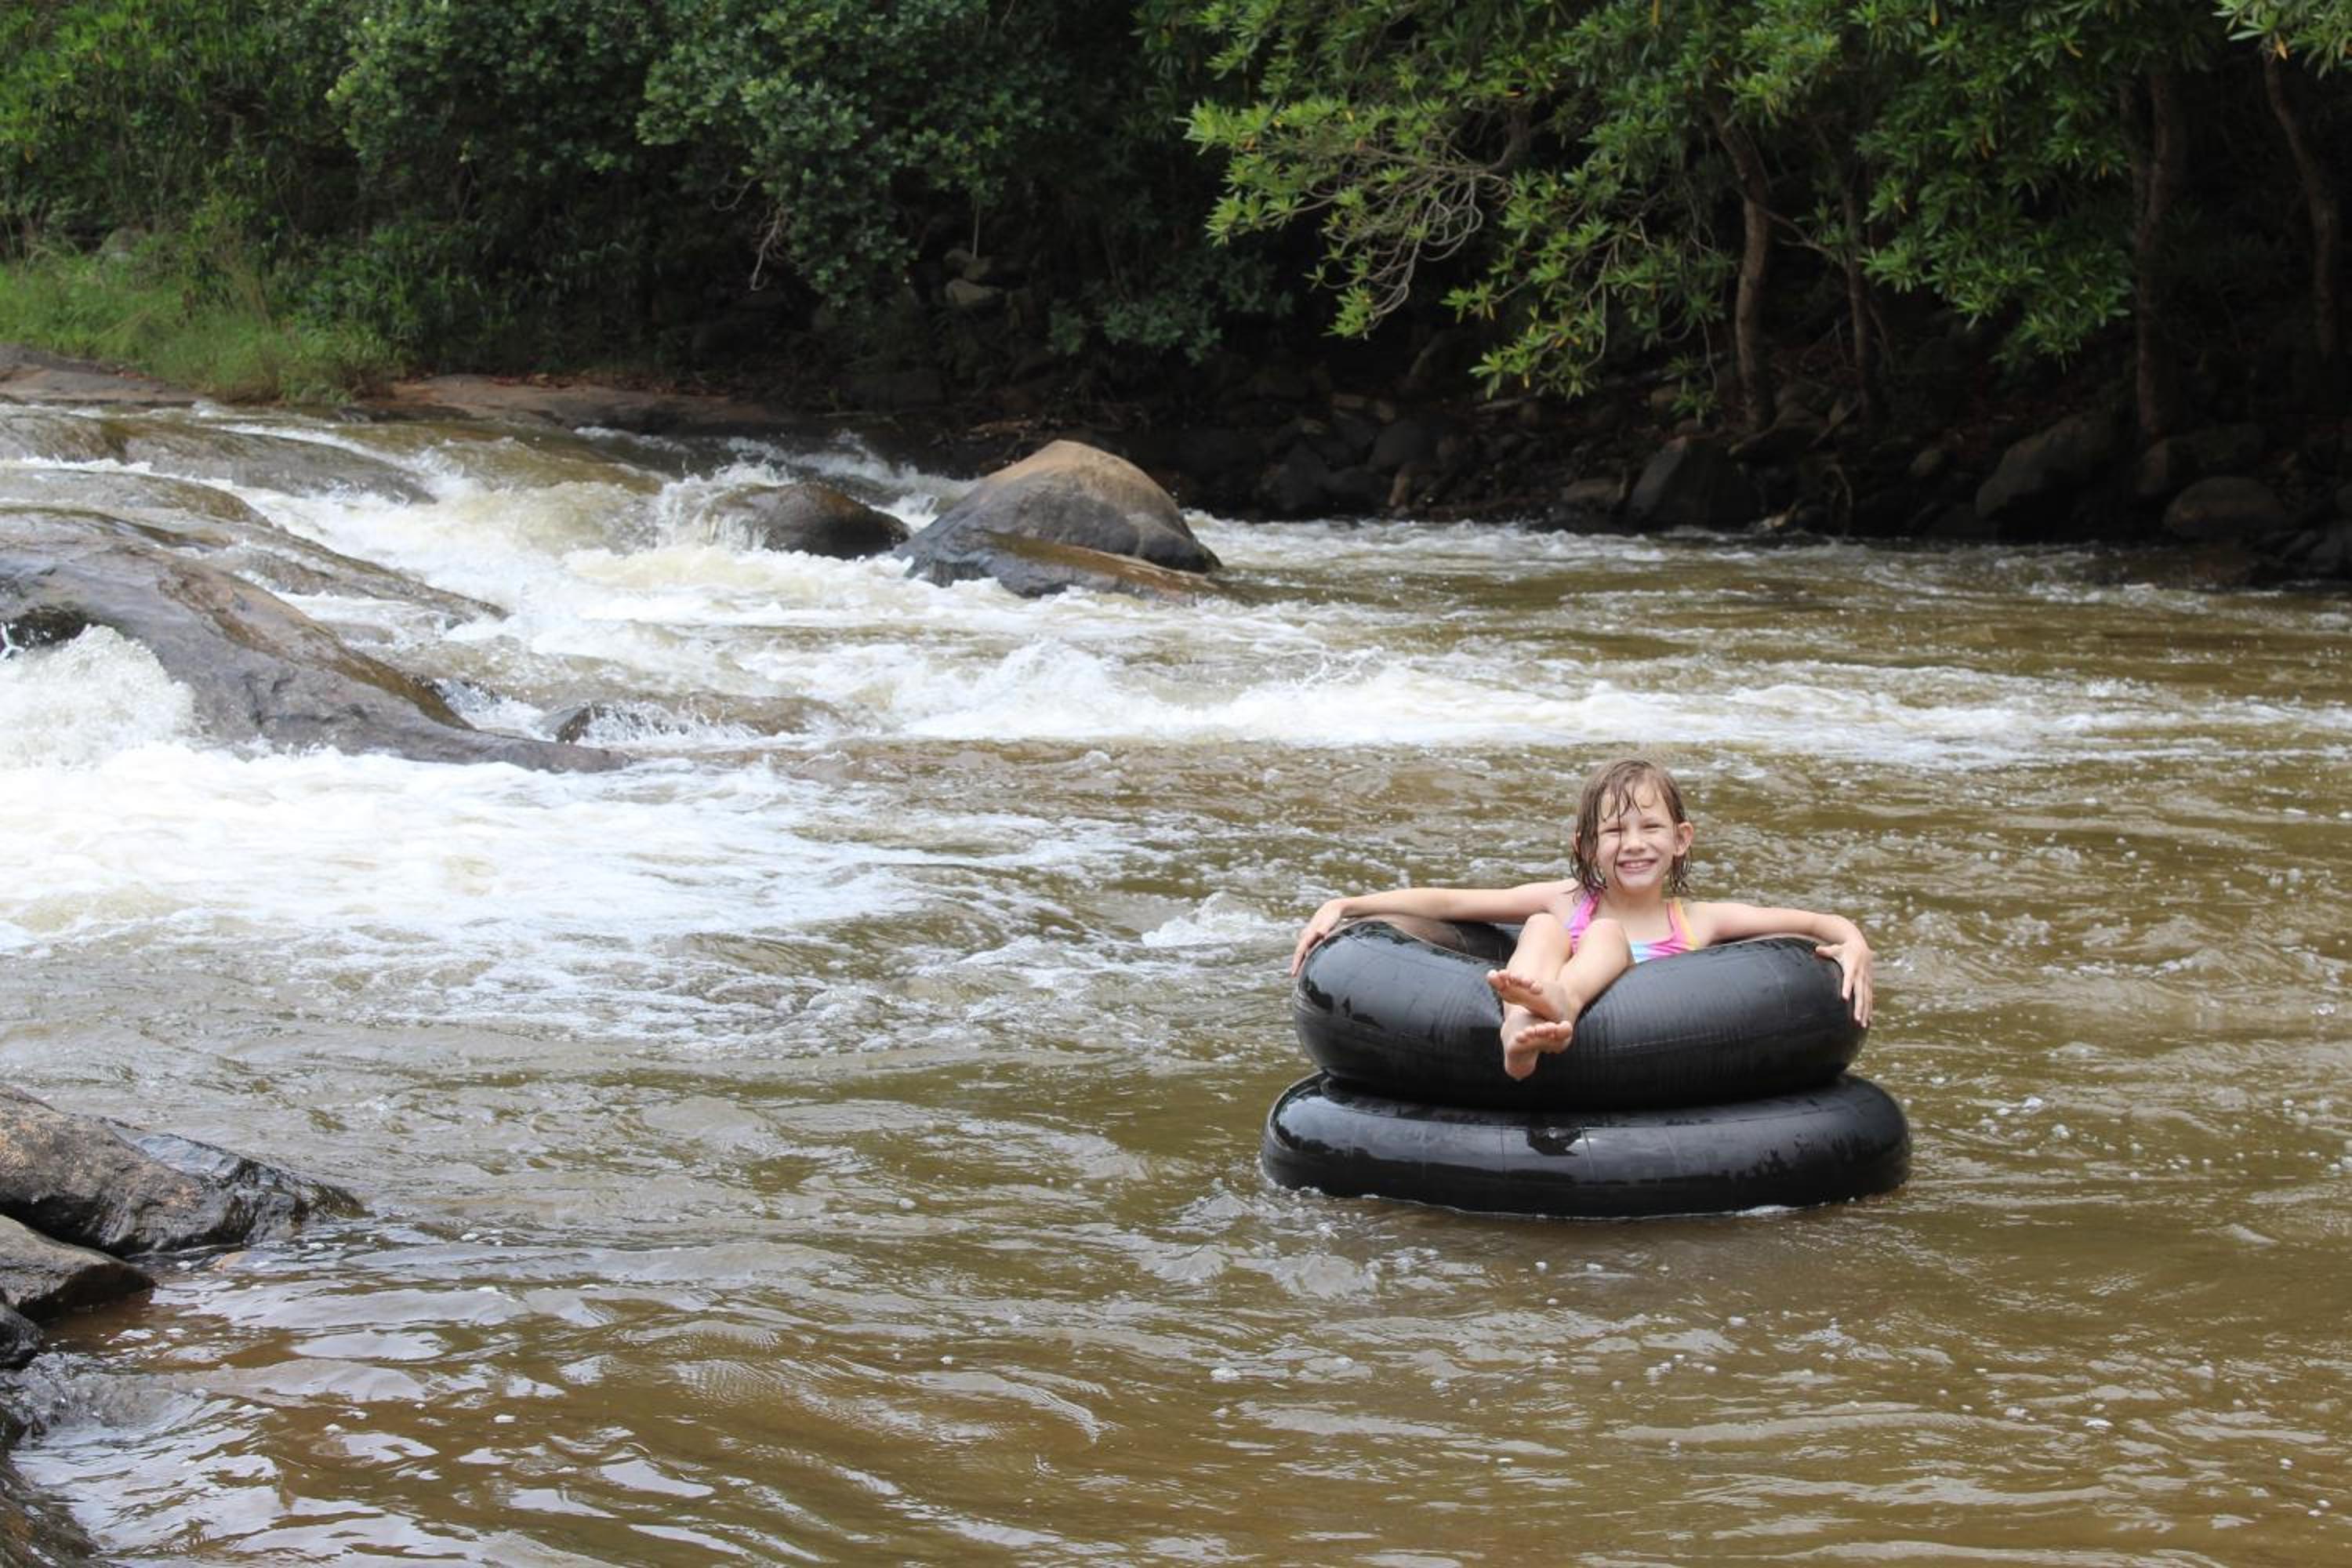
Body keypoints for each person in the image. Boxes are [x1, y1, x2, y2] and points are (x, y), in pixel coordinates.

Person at [1287, 757, 1874, 1081]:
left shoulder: (1702, 921)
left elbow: (1820, 922)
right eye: (1615, 831)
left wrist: (1852, 943)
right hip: (1542, 1016)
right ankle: (1521, 1029)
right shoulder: (1567, 899)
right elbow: (1452, 903)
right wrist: (1349, 905)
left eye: (1651, 828)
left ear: (1681, 839)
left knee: (1607, 935)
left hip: (1644, 1044)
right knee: (1543, 927)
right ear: (1587, 845)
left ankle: (1561, 1003)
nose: (1634, 844)